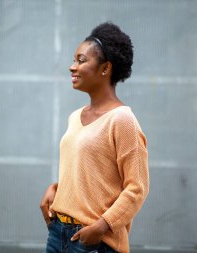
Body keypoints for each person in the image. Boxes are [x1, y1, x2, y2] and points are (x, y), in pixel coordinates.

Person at [40, 22, 149, 253]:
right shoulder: (75, 117)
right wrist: (57, 189)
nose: (72, 67)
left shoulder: (122, 120)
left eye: (81, 60)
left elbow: (137, 187)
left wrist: (102, 226)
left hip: (94, 241)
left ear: (105, 68)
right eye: (74, 60)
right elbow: (90, 175)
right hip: (58, 233)